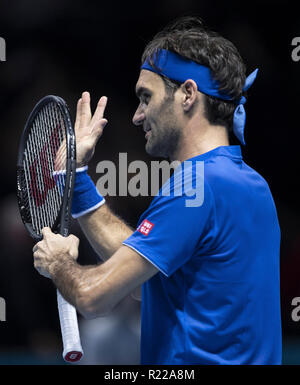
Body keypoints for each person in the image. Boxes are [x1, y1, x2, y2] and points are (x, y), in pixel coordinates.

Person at [33, 16, 282, 364]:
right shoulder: (250, 183)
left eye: (146, 97)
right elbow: (138, 282)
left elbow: (94, 297)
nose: (137, 115)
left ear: (188, 94)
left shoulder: (197, 187)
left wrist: (58, 262)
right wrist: (77, 179)